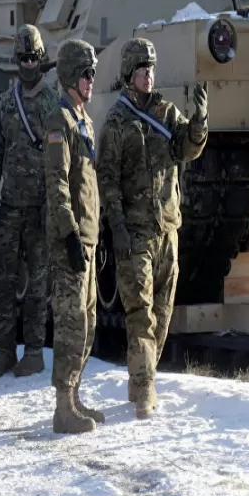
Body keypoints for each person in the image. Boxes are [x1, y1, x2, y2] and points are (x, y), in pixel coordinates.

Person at [96, 37, 208, 419]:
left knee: (162, 310)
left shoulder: (166, 112)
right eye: (142, 70)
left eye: (152, 69)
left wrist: (198, 126)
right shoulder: (116, 121)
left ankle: (142, 374)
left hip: (167, 228)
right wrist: (117, 229)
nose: (149, 75)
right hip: (136, 232)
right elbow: (107, 180)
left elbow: (185, 149)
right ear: (129, 74)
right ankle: (144, 387)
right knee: (140, 312)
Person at [0, 25, 57, 378]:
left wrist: (52, 202)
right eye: (23, 58)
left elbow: (59, 157)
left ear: (40, 59)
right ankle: (4, 350)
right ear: (16, 60)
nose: (28, 64)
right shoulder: (7, 101)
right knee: (4, 280)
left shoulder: (50, 102)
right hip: (10, 205)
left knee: (38, 283)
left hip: (38, 207)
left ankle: (33, 351)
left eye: (33, 57)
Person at [45, 39, 104, 434]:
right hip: (71, 240)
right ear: (70, 76)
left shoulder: (84, 119)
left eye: (93, 73)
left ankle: (76, 395)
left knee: (88, 322)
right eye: (86, 73)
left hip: (88, 237)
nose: (91, 80)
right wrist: (68, 233)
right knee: (70, 324)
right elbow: (57, 183)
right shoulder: (59, 121)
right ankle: (63, 407)